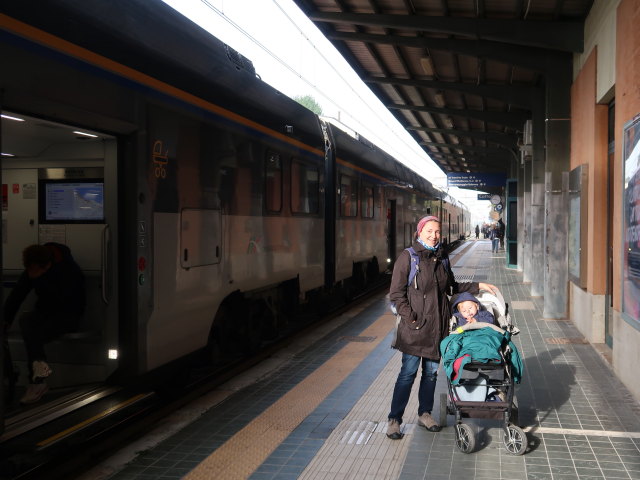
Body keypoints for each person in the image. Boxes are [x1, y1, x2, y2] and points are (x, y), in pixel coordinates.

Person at [386, 215, 498, 439]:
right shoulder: (408, 257)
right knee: (407, 374)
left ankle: (424, 414)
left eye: (437, 232)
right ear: (419, 232)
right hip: (414, 329)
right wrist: (412, 318)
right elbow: (396, 294)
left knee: (430, 375)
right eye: (429, 231)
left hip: (437, 328)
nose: (434, 235)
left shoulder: (442, 258)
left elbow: (453, 287)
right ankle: (394, 419)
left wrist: (478, 285)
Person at [3, 243, 85, 404]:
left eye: (35, 271)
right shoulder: (35, 266)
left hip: (67, 315)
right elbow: (17, 295)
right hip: (46, 314)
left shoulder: (69, 271)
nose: (31, 275)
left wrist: (41, 282)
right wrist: (5, 320)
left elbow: (70, 304)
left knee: (33, 332)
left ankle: (37, 382)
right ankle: (38, 379)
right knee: (26, 321)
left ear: (46, 265)